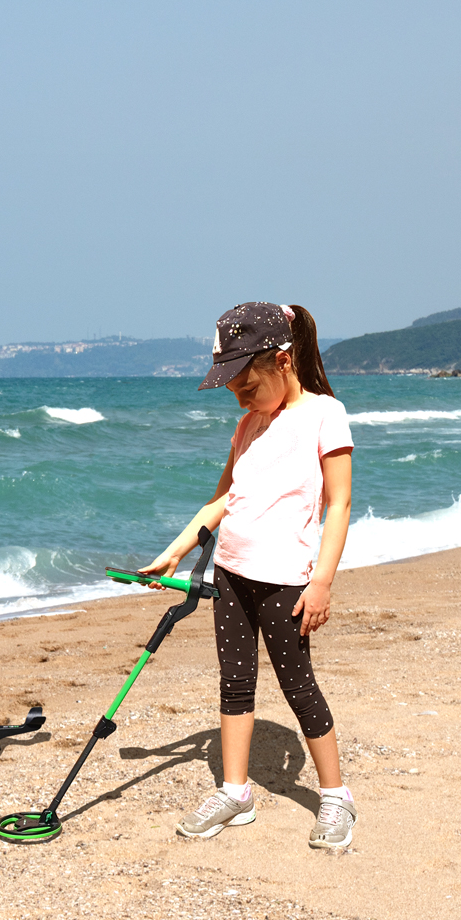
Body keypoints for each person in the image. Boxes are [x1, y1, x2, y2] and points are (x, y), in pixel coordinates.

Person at [137, 302, 356, 852]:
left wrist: (323, 581)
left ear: (283, 360)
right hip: (232, 575)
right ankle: (236, 793)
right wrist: (175, 551)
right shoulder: (247, 426)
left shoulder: (325, 414)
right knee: (234, 683)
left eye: (246, 386)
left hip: (287, 582)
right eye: (232, 390)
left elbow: (340, 503)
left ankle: (335, 796)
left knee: (298, 685)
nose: (241, 398)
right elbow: (224, 500)